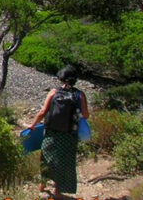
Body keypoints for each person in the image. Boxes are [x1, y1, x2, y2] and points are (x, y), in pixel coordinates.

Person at [27, 65, 89, 198]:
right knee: (64, 162)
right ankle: (58, 191)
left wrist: (32, 125)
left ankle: (42, 185)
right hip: (69, 135)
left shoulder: (54, 92)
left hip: (51, 133)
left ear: (61, 78)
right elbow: (86, 115)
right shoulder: (79, 94)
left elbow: (43, 112)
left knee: (46, 159)